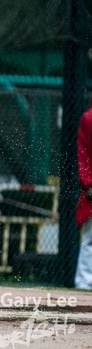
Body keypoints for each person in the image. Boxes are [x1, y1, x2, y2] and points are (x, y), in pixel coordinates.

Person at [75, 105, 92, 290]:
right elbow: (84, 153)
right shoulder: (89, 118)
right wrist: (88, 184)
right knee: (90, 238)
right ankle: (85, 283)